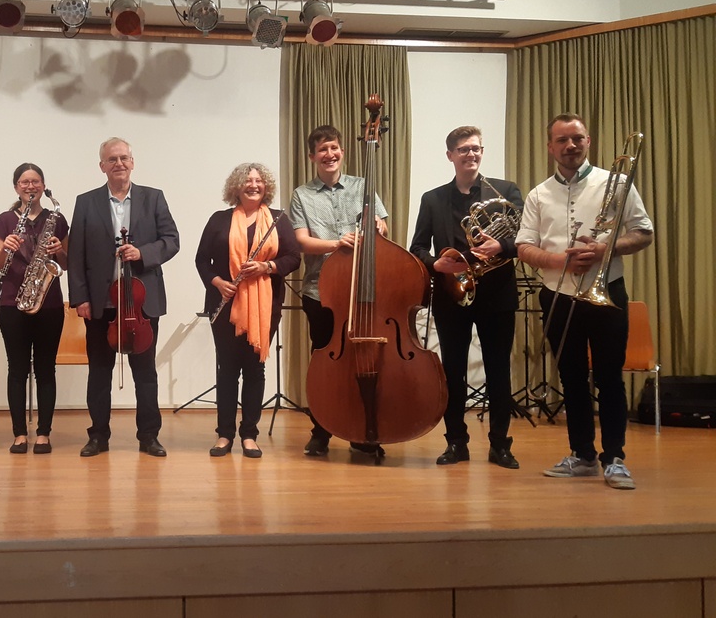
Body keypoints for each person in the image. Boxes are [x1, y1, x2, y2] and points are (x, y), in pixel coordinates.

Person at [516, 114, 654, 490]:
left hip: (606, 290)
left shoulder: (618, 183)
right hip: (558, 295)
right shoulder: (538, 194)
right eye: (561, 140)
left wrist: (605, 248)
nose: (570, 146)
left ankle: (615, 459)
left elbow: (643, 233)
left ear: (588, 141)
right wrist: (561, 260)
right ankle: (582, 455)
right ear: (550, 147)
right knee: (571, 379)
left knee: (609, 378)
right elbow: (524, 247)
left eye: (576, 138)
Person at [410, 126, 523, 469]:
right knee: (453, 371)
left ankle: (500, 445)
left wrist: (501, 245)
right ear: (450, 156)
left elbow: (525, 236)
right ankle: (456, 442)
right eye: (463, 149)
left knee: (499, 372)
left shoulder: (505, 191)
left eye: (475, 149)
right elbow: (417, 246)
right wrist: (435, 264)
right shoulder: (433, 198)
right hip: (452, 294)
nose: (470, 154)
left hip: (497, 294)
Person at [68, 137, 180, 458]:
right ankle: (98, 436)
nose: (119, 164)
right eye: (112, 159)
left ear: (133, 162)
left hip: (142, 302)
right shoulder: (86, 202)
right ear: (102, 166)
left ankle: (148, 436)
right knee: (99, 371)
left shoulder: (153, 198)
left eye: (124, 158)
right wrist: (81, 299)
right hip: (102, 302)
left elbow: (171, 240)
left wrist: (142, 252)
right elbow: (76, 255)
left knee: (145, 372)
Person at [289, 125, 389, 459]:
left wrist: (378, 226)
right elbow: (302, 241)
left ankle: (363, 431)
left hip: (363, 293)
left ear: (342, 151)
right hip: (321, 293)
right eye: (322, 150)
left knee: (362, 364)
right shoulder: (302, 195)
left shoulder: (364, 186)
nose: (329, 155)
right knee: (325, 365)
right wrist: (337, 242)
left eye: (334, 148)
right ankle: (321, 431)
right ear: (312, 156)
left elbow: (382, 226)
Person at [195, 163, 300, 459]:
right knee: (227, 370)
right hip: (224, 305)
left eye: (258, 181)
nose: (253, 185)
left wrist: (267, 266)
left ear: (265, 186)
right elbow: (202, 260)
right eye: (247, 181)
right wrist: (218, 283)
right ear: (236, 187)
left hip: (264, 306)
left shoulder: (279, 220)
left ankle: (249, 435)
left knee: (255, 370)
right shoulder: (219, 219)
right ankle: (224, 434)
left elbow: (294, 258)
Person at [0, 164, 69, 455]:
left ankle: (44, 433)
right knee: (17, 369)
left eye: (35, 181)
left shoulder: (57, 219)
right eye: (24, 182)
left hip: (48, 302)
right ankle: (19, 433)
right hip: (13, 302)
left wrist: (57, 250)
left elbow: (66, 261)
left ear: (43, 185)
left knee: (46, 369)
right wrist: (7, 248)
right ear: (16, 187)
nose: (30, 186)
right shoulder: (4, 220)